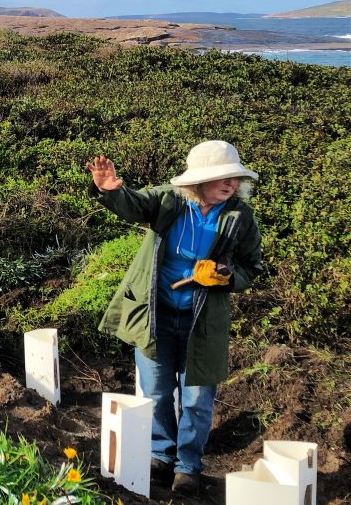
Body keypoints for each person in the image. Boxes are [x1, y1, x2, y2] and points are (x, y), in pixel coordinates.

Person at [86, 140, 263, 496]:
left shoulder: (240, 218)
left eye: (233, 178)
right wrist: (109, 191)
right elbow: (135, 204)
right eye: (221, 178)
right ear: (198, 181)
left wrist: (226, 275)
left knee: (197, 397)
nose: (229, 184)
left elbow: (251, 267)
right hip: (156, 313)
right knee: (156, 389)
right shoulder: (169, 200)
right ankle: (160, 455)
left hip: (203, 320)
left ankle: (187, 467)